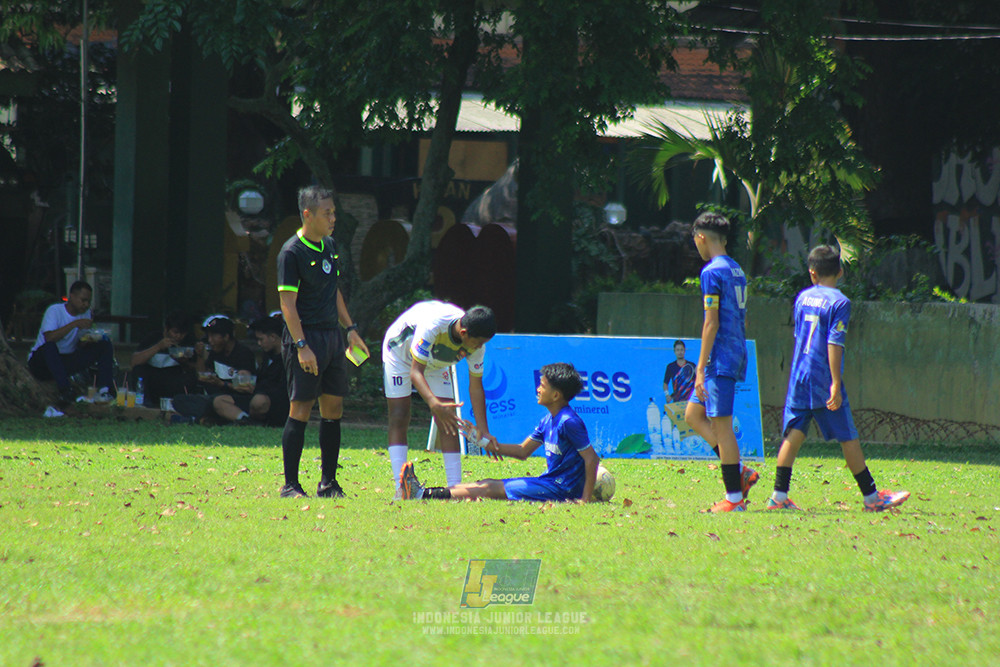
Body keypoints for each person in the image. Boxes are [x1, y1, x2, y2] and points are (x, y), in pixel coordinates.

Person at [766, 245, 910, 512]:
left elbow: (799, 337)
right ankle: (871, 498)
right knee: (848, 436)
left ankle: (778, 496)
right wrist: (834, 382)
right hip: (822, 378)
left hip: (799, 376)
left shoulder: (802, 297)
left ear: (812, 273)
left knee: (794, 434)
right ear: (840, 272)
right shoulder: (840, 302)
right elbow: (834, 342)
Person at [276, 185, 369, 499]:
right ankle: (290, 485)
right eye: (327, 213)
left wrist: (351, 328)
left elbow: (335, 291)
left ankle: (328, 482)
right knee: (300, 408)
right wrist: (302, 346)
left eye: (333, 212)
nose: (333, 218)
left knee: (334, 408)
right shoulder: (291, 253)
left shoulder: (330, 245)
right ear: (308, 214)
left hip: (333, 337)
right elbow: (287, 305)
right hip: (306, 337)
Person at [399, 362, 599, 503]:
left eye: (542, 386)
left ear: (556, 395)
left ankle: (421, 495)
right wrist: (482, 442)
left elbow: (591, 459)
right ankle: (423, 492)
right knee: (486, 483)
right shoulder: (548, 420)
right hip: (549, 482)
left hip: (562, 489)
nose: (538, 389)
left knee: (488, 489)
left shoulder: (569, 422)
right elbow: (522, 451)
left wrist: (584, 499)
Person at [383, 300, 497, 496]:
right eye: (478, 342)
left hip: (436, 363)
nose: (480, 347)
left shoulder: (478, 345)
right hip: (400, 355)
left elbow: (476, 387)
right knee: (400, 414)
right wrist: (433, 403)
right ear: (463, 333)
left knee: (449, 418)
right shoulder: (433, 326)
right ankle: (400, 488)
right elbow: (415, 372)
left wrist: (483, 430)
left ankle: (455, 488)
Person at [684, 212, 758, 512]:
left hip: (721, 357)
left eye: (695, 242)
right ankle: (740, 473)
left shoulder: (711, 272)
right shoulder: (736, 269)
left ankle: (734, 499)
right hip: (736, 349)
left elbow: (710, 323)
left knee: (722, 426)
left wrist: (700, 368)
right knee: (692, 414)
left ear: (701, 237)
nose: (696, 247)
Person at [27, 280, 116, 403]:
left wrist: (88, 340)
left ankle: (105, 390)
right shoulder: (55, 311)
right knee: (50, 346)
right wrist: (75, 324)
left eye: (88, 302)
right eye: (83, 300)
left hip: (66, 360)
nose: (85, 305)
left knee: (104, 344)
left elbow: (79, 343)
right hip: (43, 362)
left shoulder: (86, 314)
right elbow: (49, 338)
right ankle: (65, 390)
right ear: (72, 296)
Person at [170, 316, 256, 423]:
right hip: (213, 397)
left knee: (214, 403)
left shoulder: (243, 353)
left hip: (234, 400)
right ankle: (211, 418)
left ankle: (211, 419)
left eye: (213, 336)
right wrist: (200, 355)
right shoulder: (215, 352)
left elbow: (246, 387)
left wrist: (222, 384)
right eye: (208, 336)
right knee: (179, 400)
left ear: (226, 337)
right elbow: (201, 376)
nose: (210, 341)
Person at [210, 315, 289, 426]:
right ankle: (247, 421)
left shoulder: (288, 358)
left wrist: (257, 389)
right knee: (219, 401)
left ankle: (253, 421)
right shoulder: (267, 355)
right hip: (255, 396)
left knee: (259, 401)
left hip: (274, 402)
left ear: (273, 337)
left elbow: (284, 389)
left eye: (261, 339)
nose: (259, 343)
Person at [130, 310, 198, 407]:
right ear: (166, 329)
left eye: (182, 333)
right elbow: (134, 362)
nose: (178, 336)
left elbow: (197, 370)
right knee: (139, 370)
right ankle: (144, 402)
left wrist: (184, 363)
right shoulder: (153, 338)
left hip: (174, 381)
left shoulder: (189, 342)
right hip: (152, 380)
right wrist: (158, 347)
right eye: (175, 332)